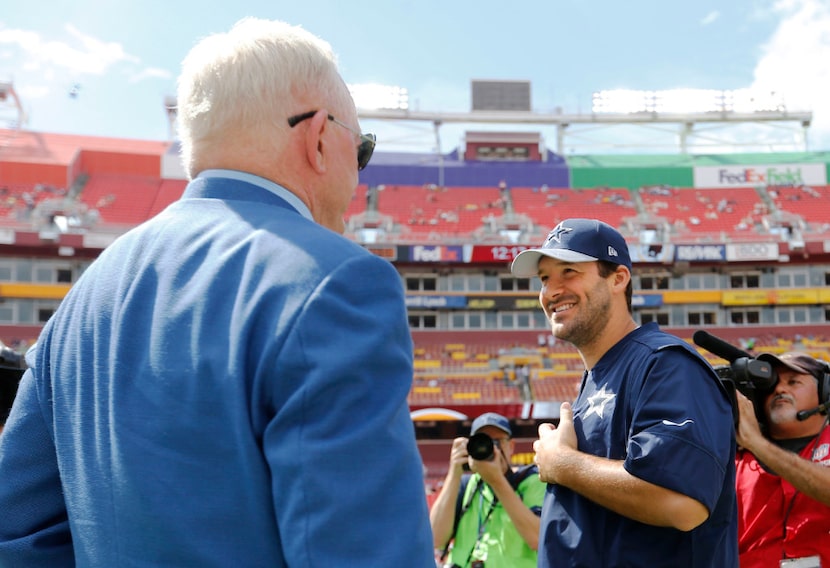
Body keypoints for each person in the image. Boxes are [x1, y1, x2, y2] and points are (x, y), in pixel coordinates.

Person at [0, 18, 434, 567]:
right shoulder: (335, 280)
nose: (359, 175)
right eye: (362, 148)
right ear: (319, 137)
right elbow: (366, 554)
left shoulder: (79, 306)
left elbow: (19, 542)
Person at [511, 218, 738, 567]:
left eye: (569, 271)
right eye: (544, 279)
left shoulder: (664, 364)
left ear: (618, 279)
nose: (551, 291)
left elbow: (683, 504)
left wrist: (563, 465)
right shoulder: (600, 375)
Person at [735, 351, 830, 567]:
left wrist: (757, 443)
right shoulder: (733, 456)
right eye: (771, 385)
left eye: (793, 381)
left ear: (826, 391)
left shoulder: (751, 442)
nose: (779, 389)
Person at [429, 412, 545, 568]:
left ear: (511, 446)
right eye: (482, 441)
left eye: (497, 442)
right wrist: (454, 472)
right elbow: (435, 539)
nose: (489, 448)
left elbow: (538, 539)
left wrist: (496, 480)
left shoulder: (533, 482)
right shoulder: (467, 484)